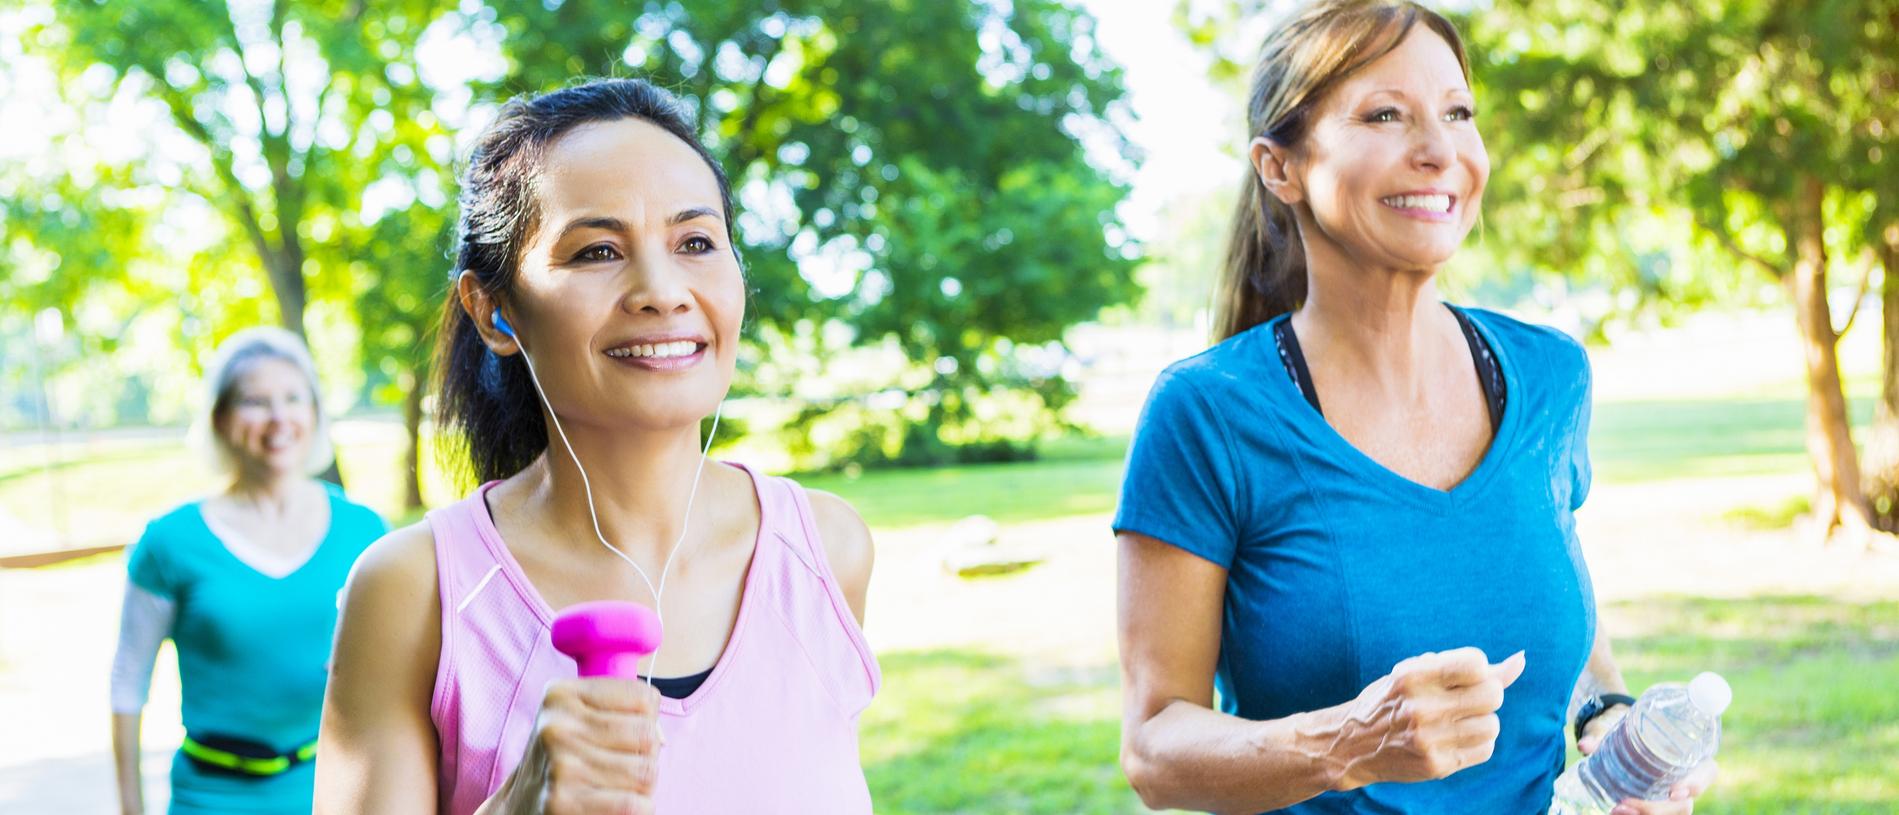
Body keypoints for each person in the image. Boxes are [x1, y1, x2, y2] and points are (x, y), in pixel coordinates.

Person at [1112, 3, 1719, 813]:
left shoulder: (1550, 376)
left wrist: (1604, 716)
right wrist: (1346, 741)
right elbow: (1155, 749)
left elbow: (1558, 624)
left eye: (1457, 113)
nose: (1438, 150)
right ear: (1278, 167)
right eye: (1385, 114)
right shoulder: (1208, 412)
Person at [314, 78, 880, 814]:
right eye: (597, 250)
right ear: (493, 312)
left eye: (696, 242)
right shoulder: (415, 589)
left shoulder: (827, 552)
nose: (661, 289)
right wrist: (520, 802)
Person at [109, 326, 389, 814]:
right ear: (219, 419)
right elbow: (128, 683)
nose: (278, 418)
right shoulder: (169, 543)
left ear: (315, 413)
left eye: (293, 398)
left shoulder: (366, 533)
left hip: (333, 792)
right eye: (255, 401)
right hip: (210, 797)